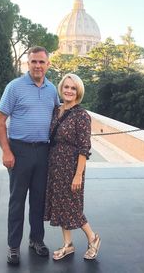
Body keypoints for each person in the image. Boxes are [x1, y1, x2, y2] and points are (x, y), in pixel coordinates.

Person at [0, 46, 59, 265]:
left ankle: (36, 240)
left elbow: (58, 118)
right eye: (34, 62)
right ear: (28, 63)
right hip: (19, 151)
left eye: (42, 62)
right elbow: (0, 120)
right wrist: (6, 150)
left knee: (39, 201)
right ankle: (13, 246)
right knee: (17, 201)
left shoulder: (52, 90)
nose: (38, 66)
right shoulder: (15, 87)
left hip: (43, 152)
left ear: (48, 64)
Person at [44, 73, 101, 261]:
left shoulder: (82, 116)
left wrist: (78, 175)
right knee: (61, 206)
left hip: (72, 168)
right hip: (55, 166)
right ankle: (68, 245)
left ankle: (93, 238)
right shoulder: (56, 111)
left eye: (73, 88)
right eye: (66, 87)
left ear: (79, 92)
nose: (69, 91)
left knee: (73, 208)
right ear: (61, 88)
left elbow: (84, 148)